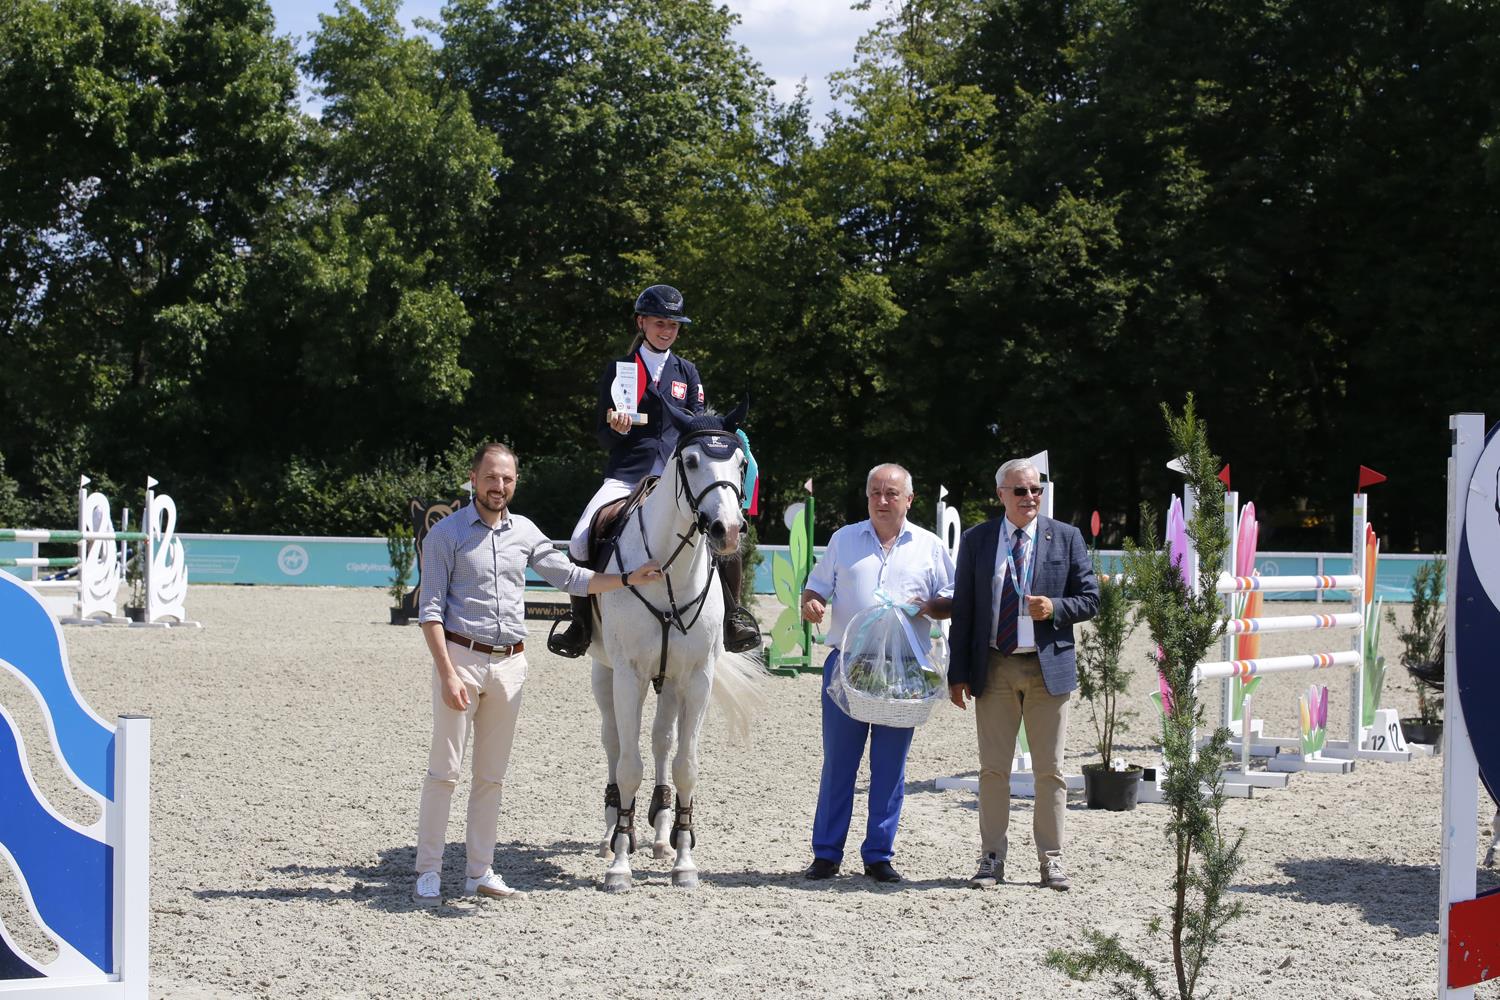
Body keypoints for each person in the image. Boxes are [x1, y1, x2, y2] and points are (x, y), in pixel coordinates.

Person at [413, 442, 661, 905]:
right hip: (461, 659)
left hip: (510, 664)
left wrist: (629, 578)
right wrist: (446, 673)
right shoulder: (445, 534)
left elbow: (571, 577)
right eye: (491, 477)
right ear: (473, 478)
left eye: (507, 479)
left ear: (515, 483)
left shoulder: (525, 531)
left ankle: (479, 872)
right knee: (444, 772)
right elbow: (429, 611)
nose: (499, 486)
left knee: (491, 778)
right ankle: (428, 869)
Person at [548, 283, 760, 657]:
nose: (667, 330)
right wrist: (616, 429)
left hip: (678, 479)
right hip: (627, 473)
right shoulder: (620, 370)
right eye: (660, 322)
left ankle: (733, 617)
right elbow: (602, 435)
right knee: (581, 537)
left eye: (673, 325)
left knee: (723, 531)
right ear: (641, 323)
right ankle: (580, 624)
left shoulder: (687, 372)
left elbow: (696, 429)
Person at [947, 458, 1098, 891]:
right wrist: (958, 673)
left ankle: (1051, 860)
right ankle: (991, 857)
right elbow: (963, 610)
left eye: (1036, 490)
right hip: (994, 665)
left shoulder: (1066, 537)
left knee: (1050, 771)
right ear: (1001, 495)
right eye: (1020, 491)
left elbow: (1090, 598)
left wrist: (1055, 607)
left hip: (1048, 667)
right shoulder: (977, 540)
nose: (1030, 497)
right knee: (993, 770)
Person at [799, 463, 953, 884]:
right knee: (838, 764)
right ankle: (826, 853)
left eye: (891, 493)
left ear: (909, 499)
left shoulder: (930, 546)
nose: (882, 501)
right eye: (875, 493)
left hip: (903, 669)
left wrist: (929, 607)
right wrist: (811, 603)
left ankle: (879, 854)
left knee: (890, 767)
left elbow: (953, 597)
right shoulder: (844, 539)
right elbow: (816, 587)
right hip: (848, 665)